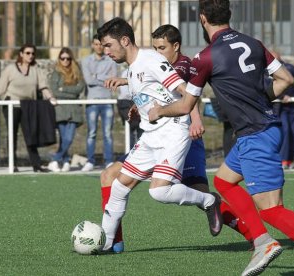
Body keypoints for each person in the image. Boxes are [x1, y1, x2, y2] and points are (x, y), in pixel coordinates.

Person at [148, 1, 294, 276]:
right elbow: (285, 79)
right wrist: (260, 100)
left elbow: (185, 105)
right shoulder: (254, 43)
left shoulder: (206, 57)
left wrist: (158, 111)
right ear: (229, 15)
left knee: (272, 211)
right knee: (223, 181)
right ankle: (261, 241)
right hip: (259, 131)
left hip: (256, 136)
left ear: (203, 19)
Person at [100, 24, 252, 254]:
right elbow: (154, 92)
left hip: (173, 131)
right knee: (118, 185)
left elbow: (185, 90)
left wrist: (195, 119)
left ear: (124, 41)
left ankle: (216, 206)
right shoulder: (132, 68)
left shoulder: (152, 60)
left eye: (108, 45)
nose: (105, 51)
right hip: (151, 135)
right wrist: (138, 105)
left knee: (161, 191)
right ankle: (107, 243)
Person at [0, 43, 56, 173]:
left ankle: (37, 165)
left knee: (31, 135)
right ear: (21, 54)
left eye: (32, 53)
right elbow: (1, 85)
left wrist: (51, 98)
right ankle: (12, 164)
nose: (30, 56)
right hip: (12, 105)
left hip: (29, 106)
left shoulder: (36, 69)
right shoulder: (10, 69)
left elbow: (43, 87)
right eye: (27, 53)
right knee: (12, 134)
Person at [81, 34, 118, 171]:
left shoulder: (111, 60)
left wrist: (96, 76)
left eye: (101, 44)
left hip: (107, 100)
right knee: (92, 132)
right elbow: (88, 81)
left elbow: (113, 79)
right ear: (92, 45)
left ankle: (108, 161)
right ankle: (90, 161)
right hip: (92, 100)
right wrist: (104, 78)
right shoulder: (85, 61)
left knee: (108, 133)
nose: (98, 47)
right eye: (96, 44)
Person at [47, 47, 85, 172]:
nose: (65, 61)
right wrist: (69, 91)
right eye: (62, 58)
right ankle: (65, 160)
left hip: (74, 110)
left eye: (68, 58)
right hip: (61, 110)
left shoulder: (77, 71)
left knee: (69, 138)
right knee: (64, 138)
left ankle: (55, 159)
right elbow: (55, 91)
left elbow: (79, 89)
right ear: (59, 59)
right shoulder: (56, 73)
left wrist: (64, 89)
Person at [116, 68, 143, 149]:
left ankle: (140, 152)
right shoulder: (126, 72)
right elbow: (125, 92)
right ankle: (130, 153)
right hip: (126, 102)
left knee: (141, 129)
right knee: (131, 127)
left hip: (139, 101)